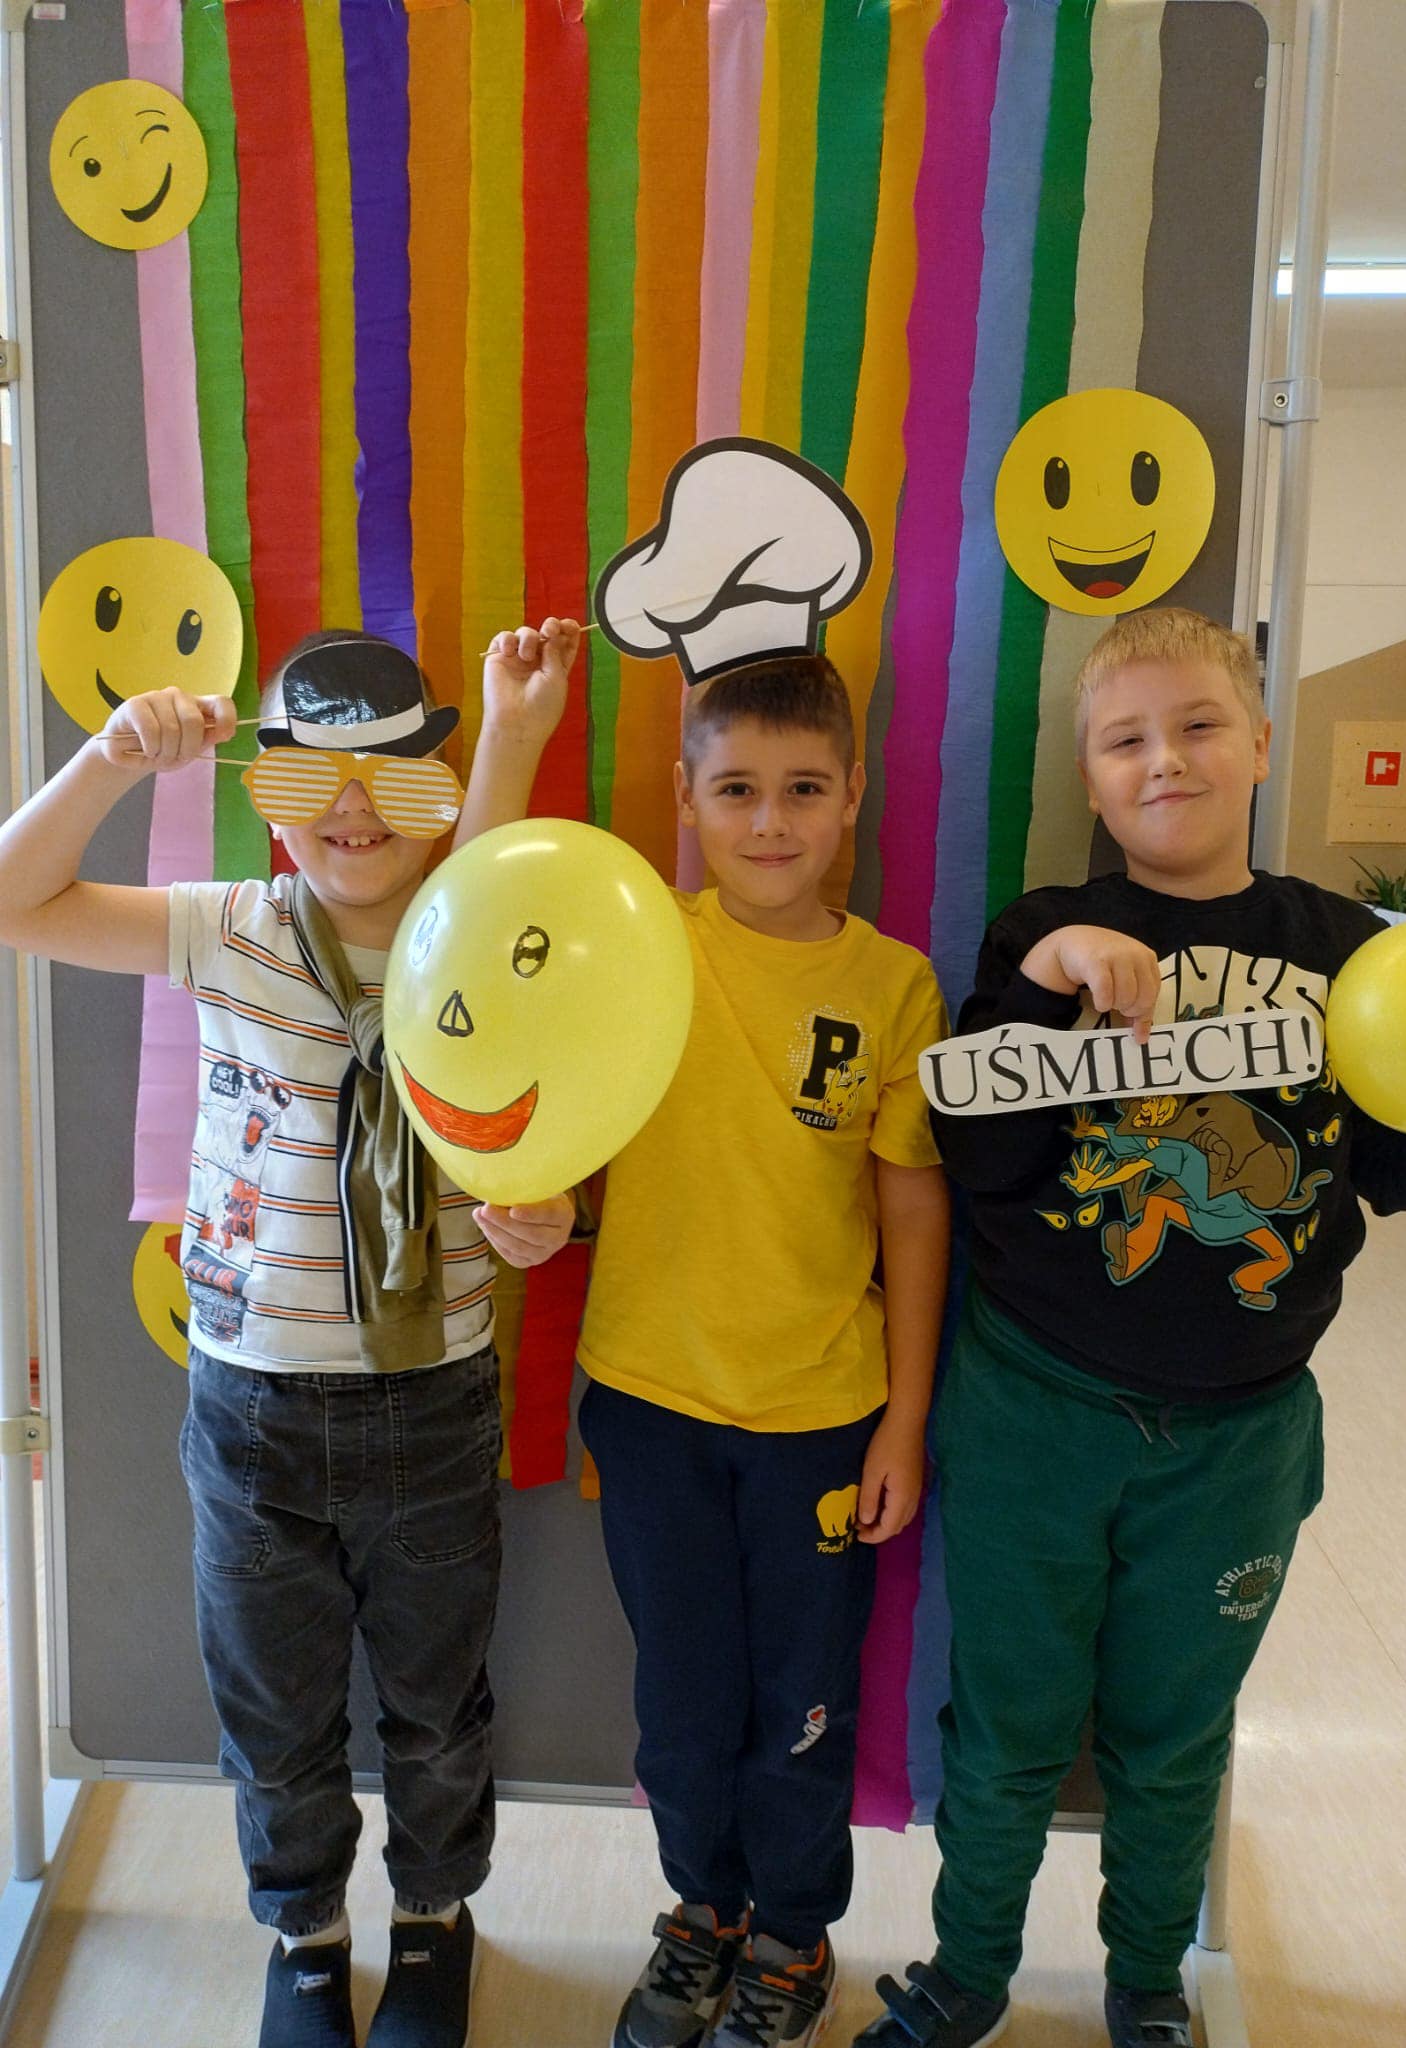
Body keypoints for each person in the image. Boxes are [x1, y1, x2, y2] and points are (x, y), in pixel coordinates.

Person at [853, 607, 1406, 2048]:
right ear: (1091, 782)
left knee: (1175, 1738)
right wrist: (1044, 985)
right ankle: (968, 1970)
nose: (1165, 759)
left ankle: (1148, 1979)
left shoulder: (1345, 949)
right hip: (1033, 1408)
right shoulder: (1039, 932)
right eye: (1127, 740)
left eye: (1200, 725)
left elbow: (1393, 1170)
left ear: (1262, 742)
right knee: (1009, 1724)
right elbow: (983, 1162)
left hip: (1240, 1436)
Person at [0, 621, 582, 2048]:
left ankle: (434, 1920)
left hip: (432, 1399)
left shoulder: (483, 937)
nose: (353, 810)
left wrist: (547, 1218)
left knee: (437, 1709)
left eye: (396, 777)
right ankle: (306, 1936)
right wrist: (109, 759)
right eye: (312, 775)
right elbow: (16, 899)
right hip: (251, 1407)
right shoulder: (230, 928)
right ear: (267, 790)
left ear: (442, 789)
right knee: (274, 1712)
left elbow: (549, 1131)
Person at [482, 651, 951, 2048]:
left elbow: (911, 1210)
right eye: (736, 788)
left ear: (852, 795)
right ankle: (705, 1911)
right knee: (684, 1707)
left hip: (824, 1417)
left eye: (803, 789)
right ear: (685, 800)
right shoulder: (640, 944)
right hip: (650, 1404)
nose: (770, 821)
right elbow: (517, 1027)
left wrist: (904, 1418)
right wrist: (538, 1201)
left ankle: (794, 1938)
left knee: (801, 1709)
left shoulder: (896, 985)